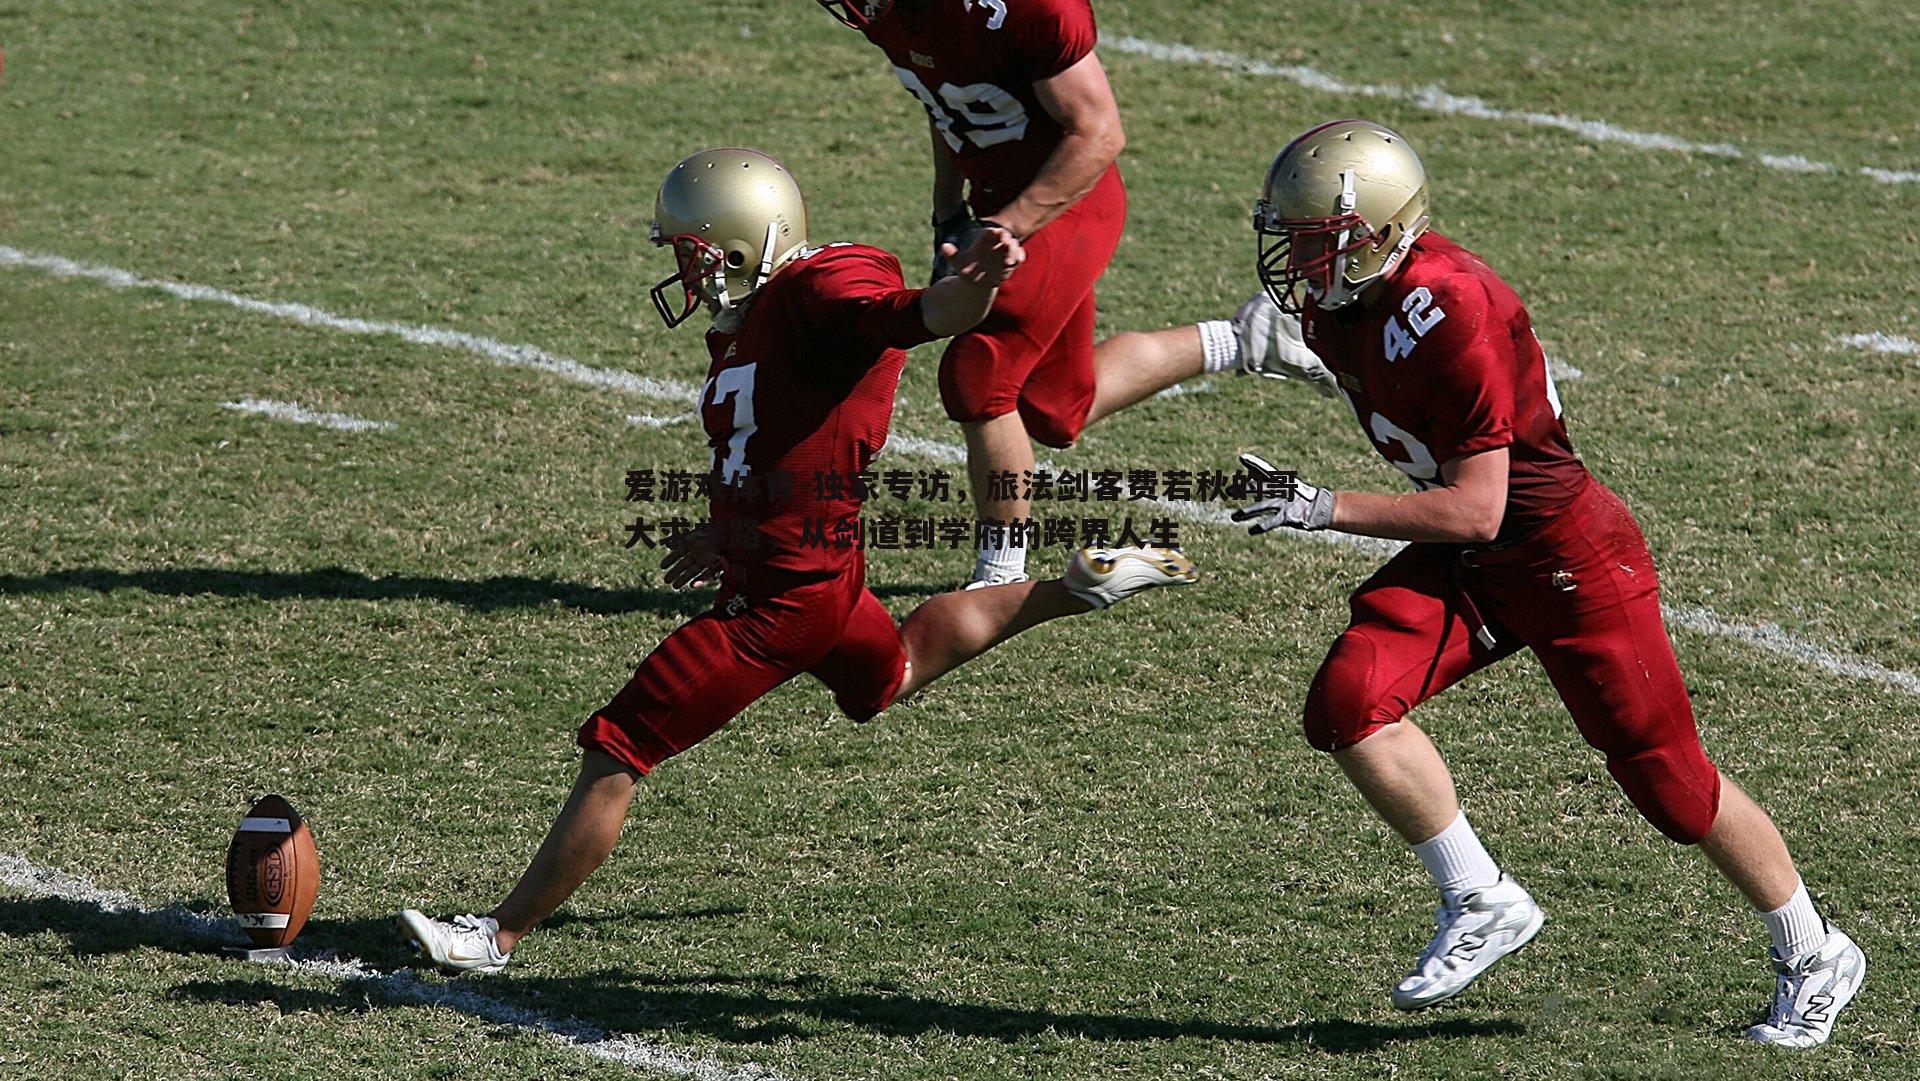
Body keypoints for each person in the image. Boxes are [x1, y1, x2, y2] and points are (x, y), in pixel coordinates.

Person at [398, 148, 1197, 972]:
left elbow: (916, 314)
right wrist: (729, 526)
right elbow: (780, 436)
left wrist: (974, 287)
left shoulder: (822, 290)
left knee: (620, 744)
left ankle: (494, 935)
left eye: (694, 250)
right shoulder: (761, 315)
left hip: (777, 606)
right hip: (822, 573)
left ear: (747, 243)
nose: (684, 267)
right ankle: (1079, 586)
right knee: (891, 674)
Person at [1230, 120, 1863, 1048]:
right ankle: (1480, 896)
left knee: (1669, 783)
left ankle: (1815, 948)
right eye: (1292, 234)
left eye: (1317, 238)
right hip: (1483, 561)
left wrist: (1323, 506)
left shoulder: (1454, 307)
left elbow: (1478, 508)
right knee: (1350, 699)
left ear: (1379, 232)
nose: (1298, 257)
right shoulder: (1340, 300)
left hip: (1561, 552)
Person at [817, 0, 1325, 588]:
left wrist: (1009, 224)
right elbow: (948, 106)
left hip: (1068, 205)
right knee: (1058, 409)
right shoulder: (892, 15)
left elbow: (1099, 132)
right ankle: (1249, 339)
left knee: (977, 375)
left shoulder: (1025, 9)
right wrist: (949, 210)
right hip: (998, 206)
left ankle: (1001, 574)